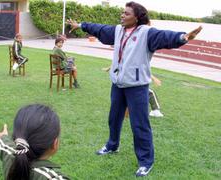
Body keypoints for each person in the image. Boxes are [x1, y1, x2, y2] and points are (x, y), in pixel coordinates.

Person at [67, 1, 202, 177]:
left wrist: (182, 37)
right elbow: (100, 29)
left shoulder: (146, 33)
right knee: (114, 119)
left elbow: (164, 37)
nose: (122, 15)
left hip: (137, 87)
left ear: (137, 18)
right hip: (118, 84)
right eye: (122, 12)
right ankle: (112, 145)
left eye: (126, 13)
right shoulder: (117, 30)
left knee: (140, 125)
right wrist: (82, 25)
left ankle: (146, 162)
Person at [0, 104, 69, 180]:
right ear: (55, 144)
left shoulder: (10, 156)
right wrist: (3, 137)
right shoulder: (50, 177)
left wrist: (3, 137)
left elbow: (5, 146)